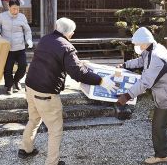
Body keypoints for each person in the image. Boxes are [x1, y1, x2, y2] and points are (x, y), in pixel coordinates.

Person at [18, 18, 118, 165]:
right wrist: (101, 81)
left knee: (34, 119)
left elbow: (58, 60)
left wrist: (81, 63)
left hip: (31, 87)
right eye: (72, 32)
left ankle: (25, 149)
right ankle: (52, 162)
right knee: (55, 129)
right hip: (46, 94)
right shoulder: (66, 47)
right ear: (70, 33)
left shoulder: (45, 39)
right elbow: (79, 74)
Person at [117, 27, 167, 165]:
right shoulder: (149, 50)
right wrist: (125, 65)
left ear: (144, 42)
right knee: (158, 125)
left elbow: (145, 82)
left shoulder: (157, 56)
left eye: (137, 44)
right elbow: (141, 62)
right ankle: (162, 155)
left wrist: (126, 96)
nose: (136, 46)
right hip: (164, 96)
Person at [0, 0, 32, 94]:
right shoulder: (2, 16)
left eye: (18, 9)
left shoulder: (22, 17)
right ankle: (9, 86)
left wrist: (29, 39)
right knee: (8, 68)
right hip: (8, 48)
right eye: (14, 8)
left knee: (23, 66)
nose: (16, 11)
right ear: (9, 7)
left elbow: (27, 30)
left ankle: (16, 80)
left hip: (20, 47)